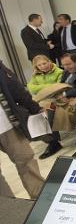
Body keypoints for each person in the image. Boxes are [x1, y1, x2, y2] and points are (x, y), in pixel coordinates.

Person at [34, 53, 76, 159]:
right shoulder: (66, 71)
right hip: (61, 99)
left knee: (55, 110)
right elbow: (60, 85)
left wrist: (66, 95)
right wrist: (61, 95)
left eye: (69, 64)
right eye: (64, 65)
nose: (66, 67)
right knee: (45, 110)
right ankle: (53, 142)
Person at [0, 60, 45, 199]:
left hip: (7, 125)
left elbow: (16, 89)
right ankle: (7, 208)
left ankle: (40, 198)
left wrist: (35, 107)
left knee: (25, 160)